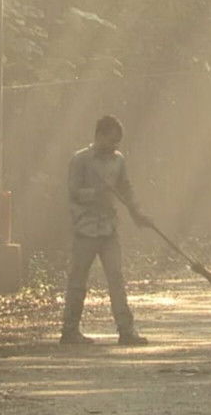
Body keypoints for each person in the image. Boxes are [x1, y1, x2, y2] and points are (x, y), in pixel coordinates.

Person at [59, 115, 153, 345]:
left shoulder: (118, 161)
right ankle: (70, 331)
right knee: (78, 280)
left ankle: (126, 330)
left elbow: (125, 188)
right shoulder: (80, 160)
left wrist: (136, 212)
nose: (114, 146)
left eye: (117, 142)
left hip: (109, 228)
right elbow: (73, 192)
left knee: (116, 278)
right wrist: (95, 193)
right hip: (85, 228)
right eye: (111, 141)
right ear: (99, 136)